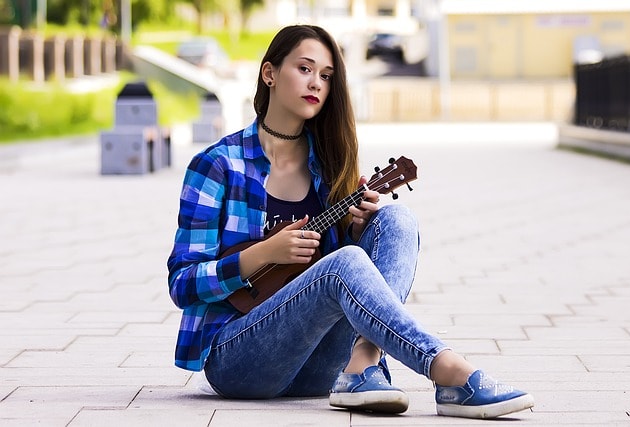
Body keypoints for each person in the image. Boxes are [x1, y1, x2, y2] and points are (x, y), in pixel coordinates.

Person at [167, 24, 534, 419]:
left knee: (396, 218)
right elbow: (182, 284)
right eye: (305, 69)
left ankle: (362, 362)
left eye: (326, 76)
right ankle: (447, 370)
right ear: (269, 73)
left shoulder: (328, 165)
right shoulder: (219, 165)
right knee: (344, 264)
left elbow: (328, 280)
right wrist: (262, 254)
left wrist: (356, 231)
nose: (317, 84)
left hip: (318, 365)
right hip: (240, 359)